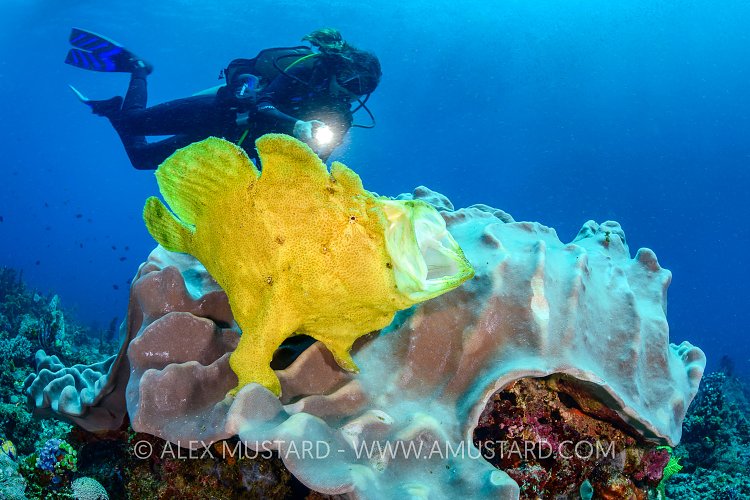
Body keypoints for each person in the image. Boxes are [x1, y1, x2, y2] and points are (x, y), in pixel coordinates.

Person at [65, 27, 381, 169]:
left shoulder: (342, 116)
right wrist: (296, 125)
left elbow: (314, 162)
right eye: (351, 80)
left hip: (232, 145)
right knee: (134, 123)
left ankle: (111, 110)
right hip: (222, 112)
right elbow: (263, 102)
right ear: (339, 67)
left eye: (361, 89)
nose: (352, 91)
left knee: (141, 159)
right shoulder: (308, 69)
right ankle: (138, 69)